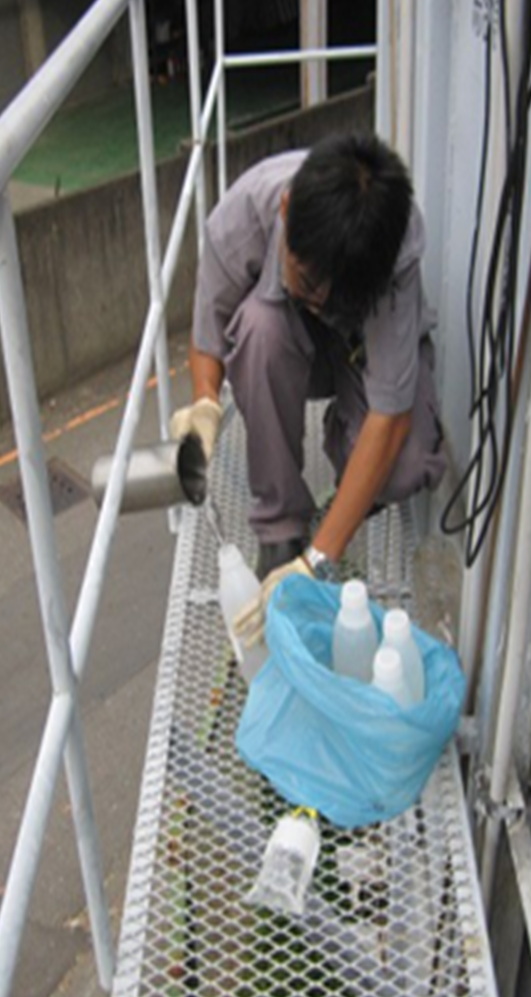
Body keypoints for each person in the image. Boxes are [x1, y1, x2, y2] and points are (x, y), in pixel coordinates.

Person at [170, 132, 446, 640]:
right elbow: (208, 333)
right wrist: (206, 401)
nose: (318, 298)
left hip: (361, 350)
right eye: (305, 279)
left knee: (404, 465)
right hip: (285, 345)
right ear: (285, 208)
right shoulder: (240, 220)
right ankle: (279, 531)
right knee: (258, 326)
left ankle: (345, 474)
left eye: (332, 291)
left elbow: (392, 415)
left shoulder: (393, 242)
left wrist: (320, 557)